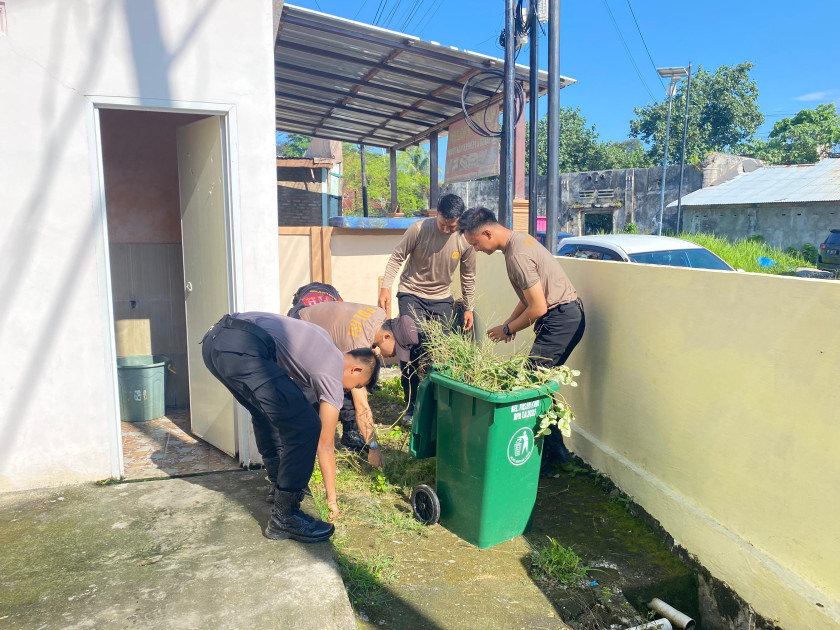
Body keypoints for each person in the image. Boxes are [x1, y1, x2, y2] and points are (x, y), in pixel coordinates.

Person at [201, 312, 379, 543]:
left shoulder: (322, 339)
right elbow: (325, 446)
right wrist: (331, 499)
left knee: (265, 412)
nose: (348, 391)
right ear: (354, 370)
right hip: (243, 347)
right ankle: (285, 517)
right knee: (307, 427)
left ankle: (278, 486)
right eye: (356, 386)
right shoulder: (333, 372)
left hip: (215, 342)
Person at [456, 207, 585, 476]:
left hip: (561, 319)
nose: (476, 250)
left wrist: (507, 329)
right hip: (566, 315)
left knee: (530, 387)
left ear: (487, 232)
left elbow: (538, 308)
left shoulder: (517, 254)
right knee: (541, 388)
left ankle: (542, 466)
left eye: (476, 243)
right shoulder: (519, 241)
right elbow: (530, 296)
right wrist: (509, 323)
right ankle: (558, 455)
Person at [378, 194, 476, 424]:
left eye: (451, 227)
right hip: (411, 292)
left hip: (442, 298)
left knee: (440, 350)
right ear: (436, 214)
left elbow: (468, 275)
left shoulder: (465, 239)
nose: (445, 230)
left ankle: (436, 404)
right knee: (411, 343)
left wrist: (469, 307)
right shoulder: (418, 229)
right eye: (442, 224)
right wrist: (385, 287)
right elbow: (396, 258)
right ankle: (411, 405)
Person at [297, 301, 418, 458]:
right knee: (313, 395)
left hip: (319, 321)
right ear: (387, 336)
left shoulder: (379, 315)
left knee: (350, 381)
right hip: (303, 328)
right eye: (396, 350)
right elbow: (362, 406)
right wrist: (373, 447)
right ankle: (304, 447)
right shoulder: (356, 343)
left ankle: (349, 434)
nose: (395, 356)